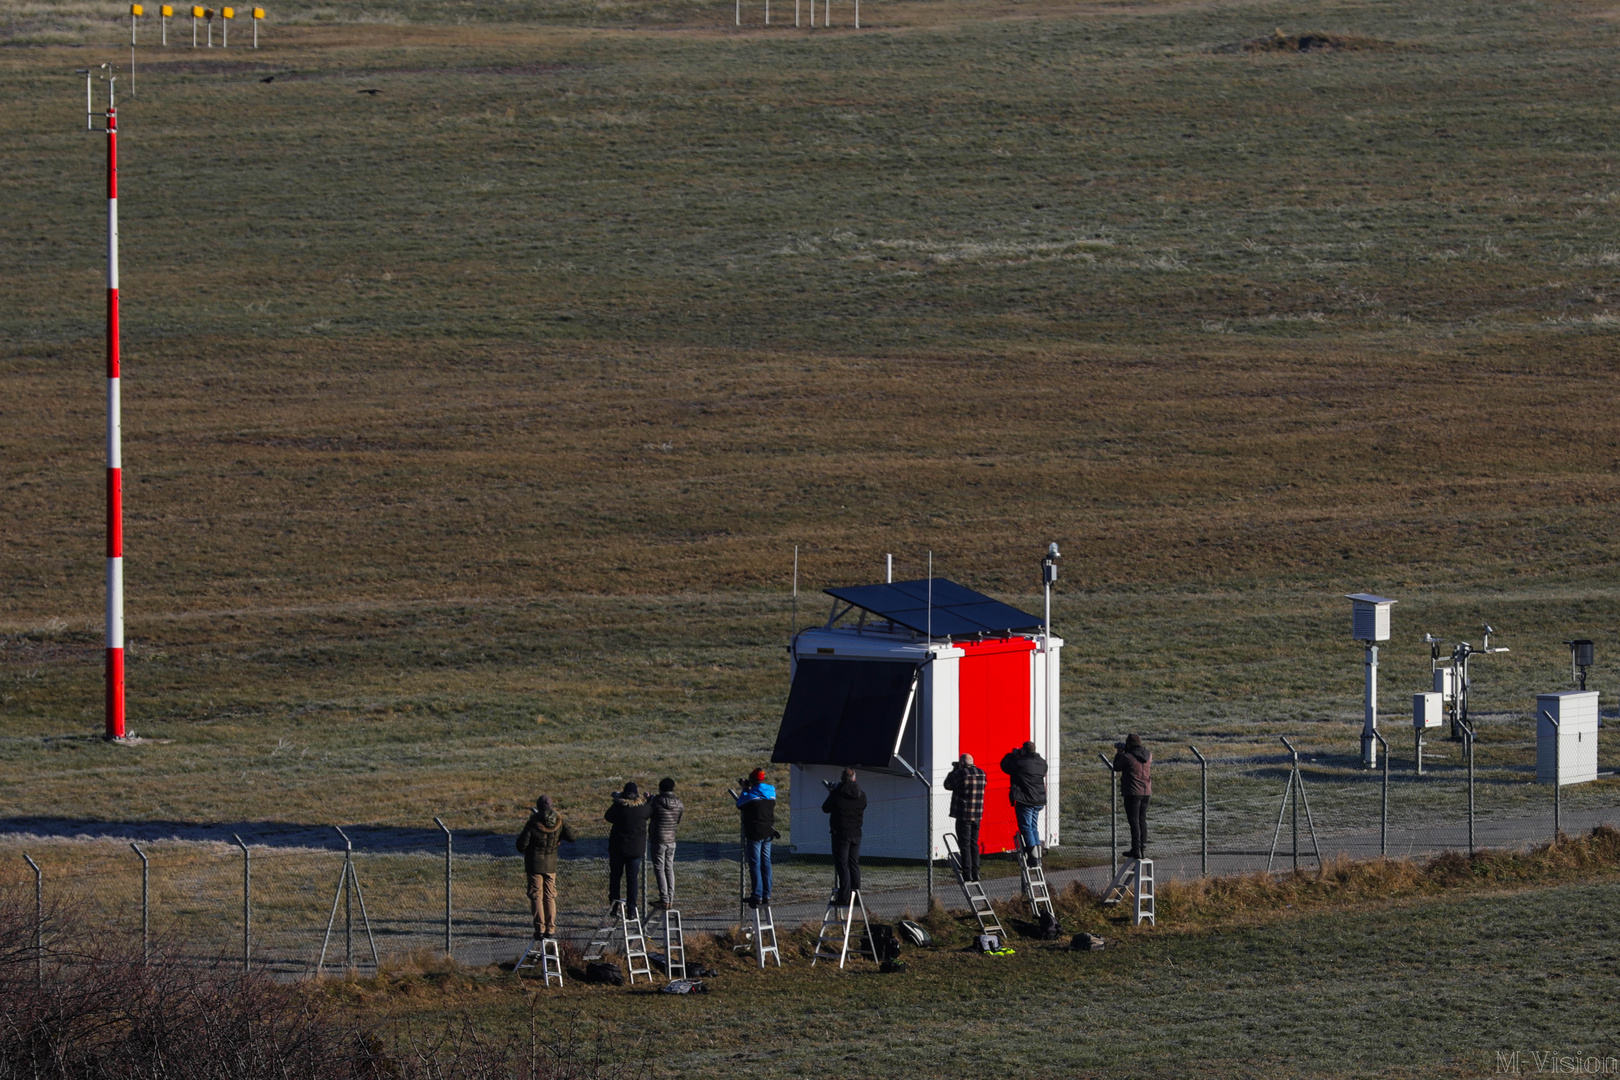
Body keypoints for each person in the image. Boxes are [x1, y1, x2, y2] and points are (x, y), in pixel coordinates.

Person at [515, 794, 577, 940]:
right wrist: (559, 838)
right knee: (550, 896)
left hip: (534, 865)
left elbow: (521, 845)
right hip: (551, 865)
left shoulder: (533, 822)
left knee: (536, 896)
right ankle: (551, 928)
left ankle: (539, 929)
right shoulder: (559, 820)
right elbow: (572, 836)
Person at [603, 781, 652, 914]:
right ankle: (631, 909)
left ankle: (614, 907)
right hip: (635, 850)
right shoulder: (643, 808)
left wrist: (617, 800)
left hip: (618, 848)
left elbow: (608, 816)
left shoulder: (619, 807)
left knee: (615, 878)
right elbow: (649, 811)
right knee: (632, 880)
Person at [821, 768, 867, 905]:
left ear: (842, 779)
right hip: (856, 833)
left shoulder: (836, 794)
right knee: (854, 864)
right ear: (854, 778)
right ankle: (856, 896)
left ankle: (844, 897)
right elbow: (862, 805)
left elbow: (825, 808)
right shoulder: (861, 795)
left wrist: (833, 791)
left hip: (841, 834)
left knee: (842, 865)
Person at [734, 767, 777, 908]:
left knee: (755, 864)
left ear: (752, 780)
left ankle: (756, 894)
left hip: (755, 832)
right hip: (769, 831)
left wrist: (745, 789)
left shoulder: (752, 795)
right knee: (766, 863)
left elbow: (740, 804)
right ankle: (767, 894)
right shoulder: (771, 791)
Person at [1001, 740, 1049, 864]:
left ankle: (1033, 857)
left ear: (1024, 750)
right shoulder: (1042, 763)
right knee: (1033, 827)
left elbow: (1005, 765)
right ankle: (1037, 855)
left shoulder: (1020, 763)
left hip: (1026, 799)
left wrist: (1013, 754)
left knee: (1026, 827)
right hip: (1039, 799)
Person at [943, 752, 987, 881]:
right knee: (974, 844)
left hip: (964, 814)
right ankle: (976, 872)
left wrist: (954, 770)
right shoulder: (982, 773)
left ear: (962, 763)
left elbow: (948, 785)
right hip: (977, 815)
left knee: (965, 845)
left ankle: (967, 873)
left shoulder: (961, 774)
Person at [1113, 733, 1153, 859]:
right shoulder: (1148, 755)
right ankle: (1142, 847)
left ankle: (1135, 849)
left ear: (1129, 744)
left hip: (1132, 792)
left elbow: (1116, 767)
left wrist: (1119, 752)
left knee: (1134, 821)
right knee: (1142, 820)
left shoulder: (1128, 757)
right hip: (1146, 791)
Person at [647, 777, 684, 911]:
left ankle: (664, 898)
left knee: (659, 868)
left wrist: (648, 800)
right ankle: (670, 898)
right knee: (669, 868)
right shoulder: (679, 803)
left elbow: (647, 813)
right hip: (671, 839)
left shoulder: (656, 802)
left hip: (658, 839)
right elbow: (678, 820)